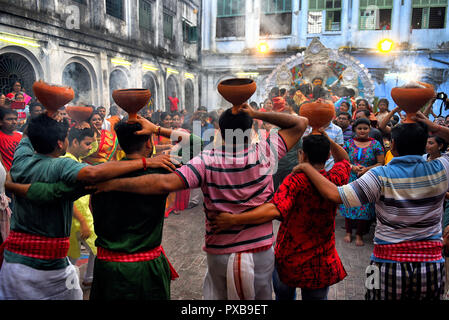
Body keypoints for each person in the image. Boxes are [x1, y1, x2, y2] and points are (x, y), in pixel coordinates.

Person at [89, 104, 309, 300]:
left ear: (221, 132)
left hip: (221, 251)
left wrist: (115, 184)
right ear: (251, 130)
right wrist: (255, 112)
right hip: (260, 250)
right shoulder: (265, 152)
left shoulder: (207, 159)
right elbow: (300, 122)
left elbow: (165, 183)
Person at [0, 112, 178, 300]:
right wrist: (157, 130)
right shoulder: (162, 169)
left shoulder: (22, 159)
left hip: (106, 271)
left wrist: (14, 187)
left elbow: (54, 189)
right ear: (149, 143)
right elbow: (199, 145)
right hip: (148, 270)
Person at [295, 112, 449, 300]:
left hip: (386, 263)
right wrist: (436, 128)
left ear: (392, 145)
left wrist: (306, 167)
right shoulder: (441, 168)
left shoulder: (380, 175)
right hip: (431, 264)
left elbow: (335, 195)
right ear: (425, 143)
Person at [210, 131, 351, 300]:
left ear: (302, 154)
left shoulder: (295, 181)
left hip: (290, 256)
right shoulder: (335, 178)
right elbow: (344, 159)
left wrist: (234, 219)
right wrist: (326, 139)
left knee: (283, 298)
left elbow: (275, 209)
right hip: (321, 259)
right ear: (328, 155)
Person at [339, 118, 384, 246]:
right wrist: (351, 166)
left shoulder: (375, 144)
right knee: (348, 203)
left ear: (370, 129)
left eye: (365, 128)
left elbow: (381, 162)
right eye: (360, 128)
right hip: (350, 178)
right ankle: (348, 232)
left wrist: (367, 169)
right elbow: (342, 160)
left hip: (368, 178)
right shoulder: (348, 144)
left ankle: (359, 234)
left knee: (365, 207)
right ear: (355, 130)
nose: (362, 131)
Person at [64, 127, 97, 289]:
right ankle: (70, 288)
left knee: (93, 249)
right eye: (87, 144)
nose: (90, 147)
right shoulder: (68, 163)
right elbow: (66, 198)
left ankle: (88, 279)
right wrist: (83, 221)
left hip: (81, 217)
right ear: (75, 142)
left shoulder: (75, 160)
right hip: (75, 219)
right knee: (71, 258)